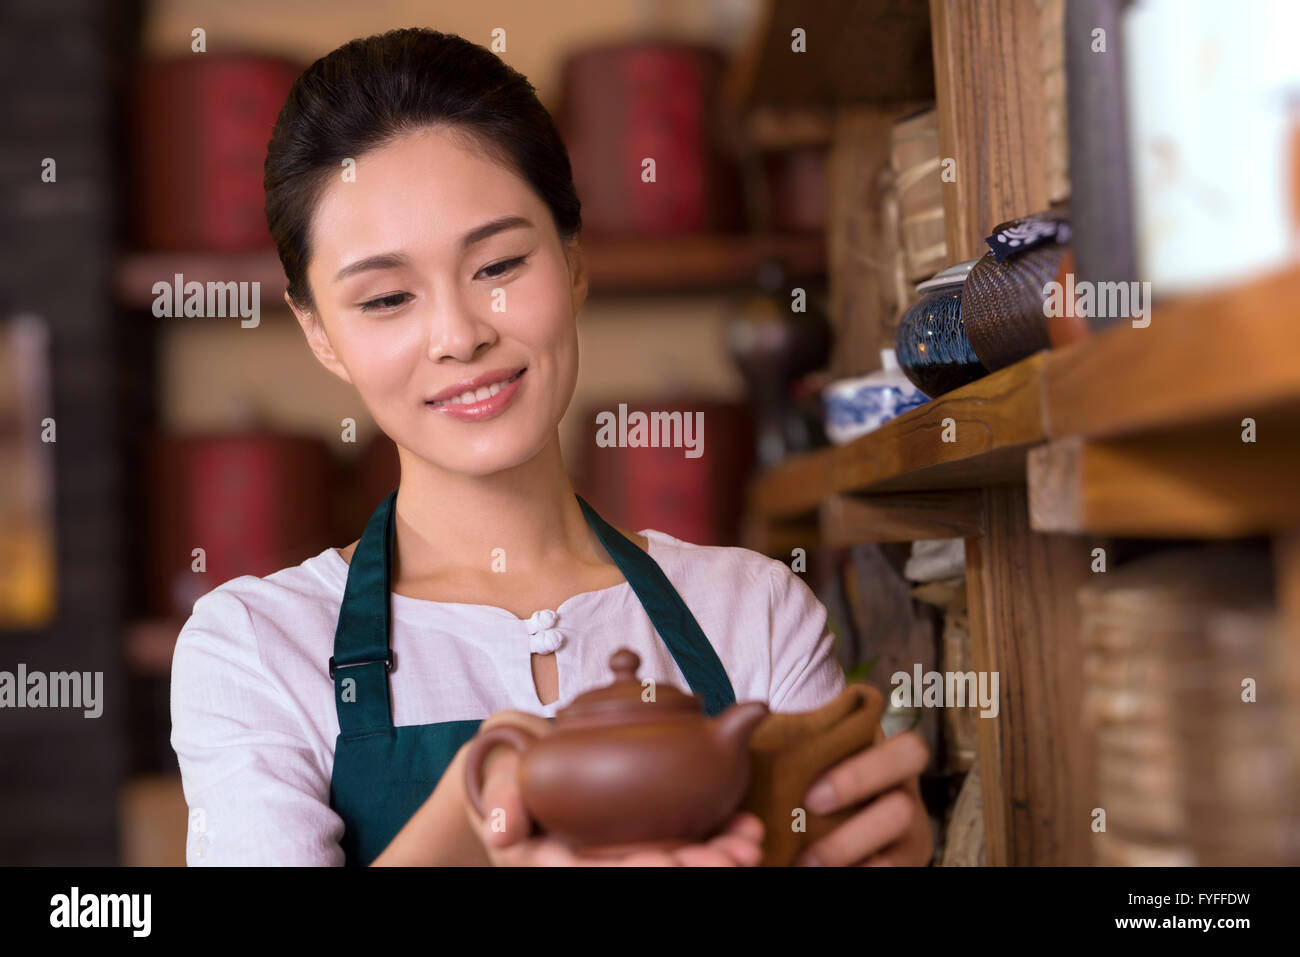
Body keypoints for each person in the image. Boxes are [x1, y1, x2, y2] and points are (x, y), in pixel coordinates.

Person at [170, 27, 932, 867]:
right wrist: (472, 822)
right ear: (319, 333)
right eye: (386, 298)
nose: (458, 335)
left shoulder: (752, 615)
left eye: (497, 265)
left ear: (573, 263)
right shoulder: (255, 646)